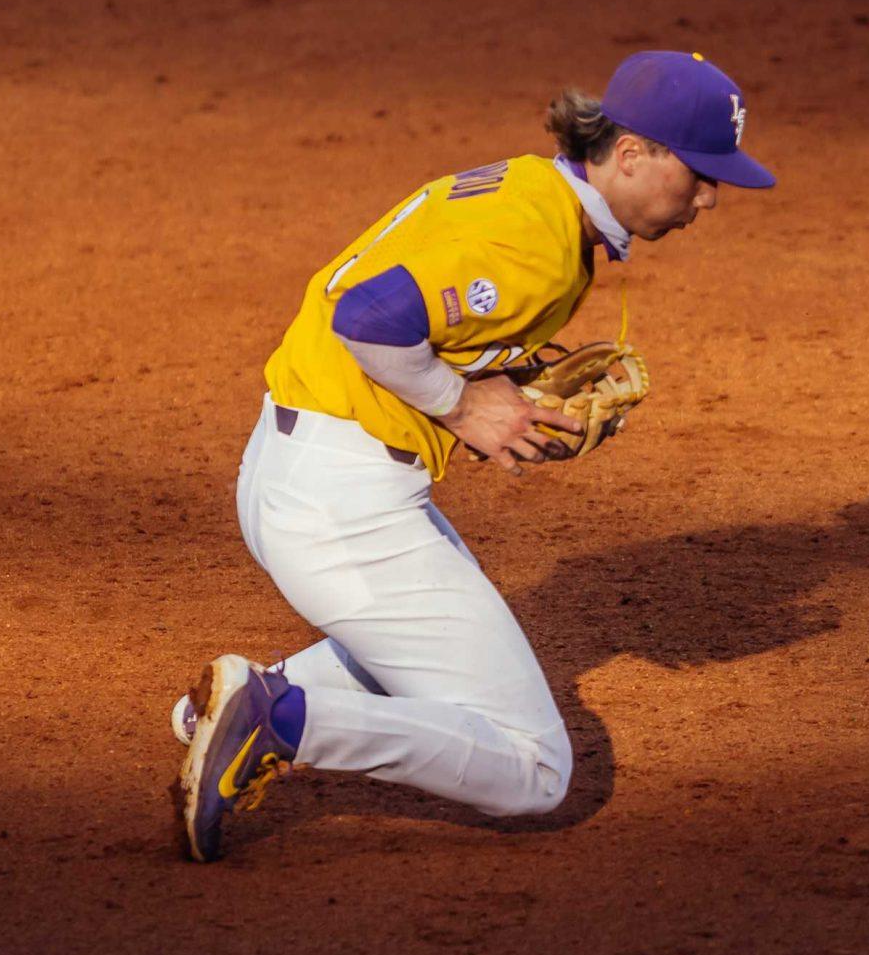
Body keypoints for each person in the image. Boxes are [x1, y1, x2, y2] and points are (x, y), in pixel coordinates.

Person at [174, 51, 777, 862]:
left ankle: (214, 712)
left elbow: (424, 308)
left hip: (303, 468)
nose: (708, 196)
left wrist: (508, 371)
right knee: (535, 767)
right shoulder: (539, 241)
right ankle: (279, 718)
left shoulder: (534, 188)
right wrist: (461, 404)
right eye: (700, 173)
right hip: (343, 504)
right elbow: (369, 317)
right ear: (631, 154)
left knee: (415, 657)